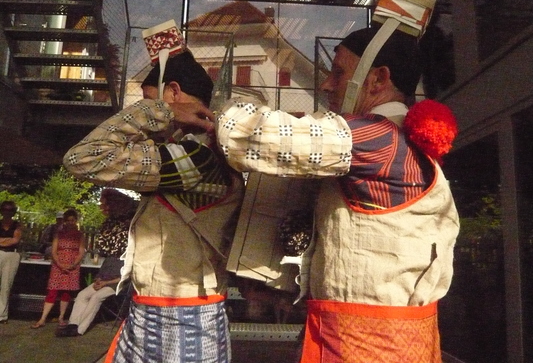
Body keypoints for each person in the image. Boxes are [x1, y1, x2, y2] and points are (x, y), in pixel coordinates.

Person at [215, 26, 460, 362]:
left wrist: (222, 109)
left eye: (338, 73)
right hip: (386, 340)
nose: (327, 85)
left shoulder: (376, 138)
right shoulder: (395, 138)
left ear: (378, 79)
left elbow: (245, 137)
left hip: (364, 345)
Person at [63, 49, 244, 362]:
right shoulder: (198, 151)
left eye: (147, 99)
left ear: (172, 93)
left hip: (181, 319)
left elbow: (82, 158)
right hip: (170, 311)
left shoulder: (194, 156)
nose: (144, 107)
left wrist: (157, 111)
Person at [57, 189, 136, 337]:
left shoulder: (128, 253)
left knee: (96, 297)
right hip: (104, 281)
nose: (101, 207)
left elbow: (127, 276)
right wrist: (99, 279)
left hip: (116, 284)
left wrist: (106, 283)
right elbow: (104, 266)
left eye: (104, 204)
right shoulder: (111, 251)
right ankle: (73, 324)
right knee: (82, 295)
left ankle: (79, 329)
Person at [31, 208, 85, 329]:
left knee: (66, 292)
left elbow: (81, 251)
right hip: (58, 265)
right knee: (52, 291)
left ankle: (61, 317)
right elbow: (54, 251)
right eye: (68, 220)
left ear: (76, 221)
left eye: (73, 220)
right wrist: (60, 264)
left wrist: (73, 265)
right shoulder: (59, 234)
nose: (70, 222)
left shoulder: (80, 235)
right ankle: (43, 318)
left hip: (72, 265)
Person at [0, 201, 22, 324]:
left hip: (11, 255)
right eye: (5, 209)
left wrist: (3, 241)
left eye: (10, 210)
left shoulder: (16, 225)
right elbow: (11, 239)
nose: (7, 212)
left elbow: (15, 240)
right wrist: (7, 240)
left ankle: (2, 315)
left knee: (6, 285)